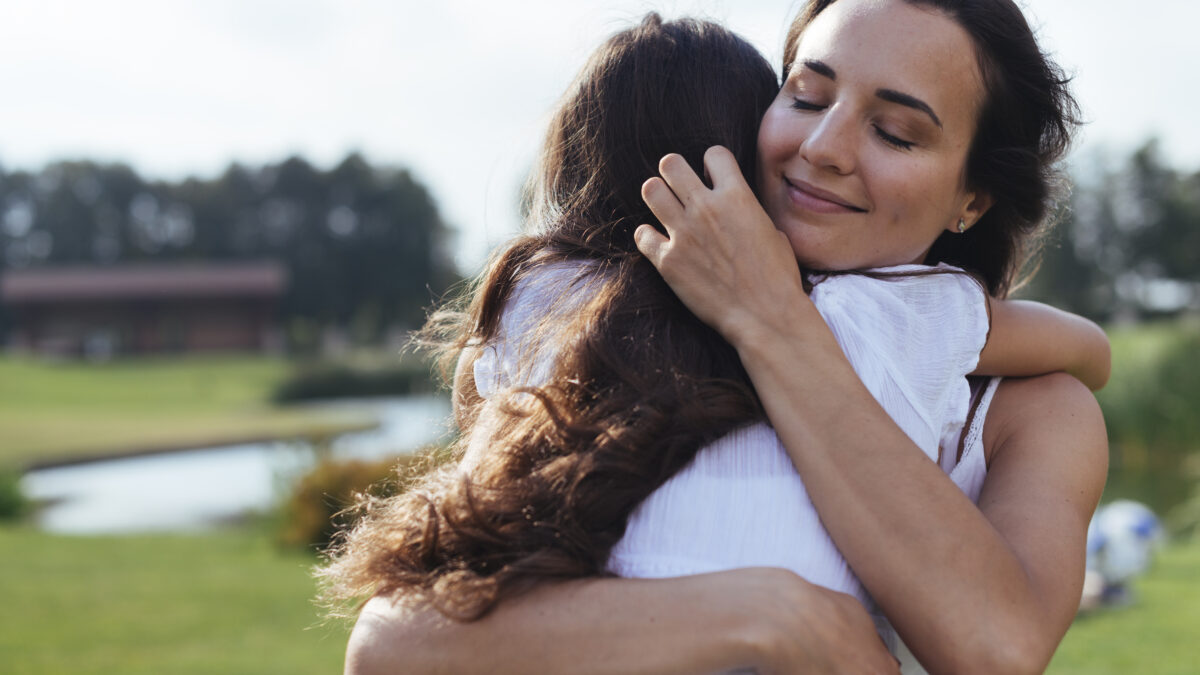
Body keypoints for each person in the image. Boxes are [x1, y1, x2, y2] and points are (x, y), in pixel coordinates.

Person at [336, 1, 1109, 673]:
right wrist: (768, 613)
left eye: (896, 133)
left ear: (972, 199)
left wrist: (771, 316)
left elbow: (996, 649)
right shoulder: (605, 338)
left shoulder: (1028, 408)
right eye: (806, 96)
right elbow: (396, 642)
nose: (823, 147)